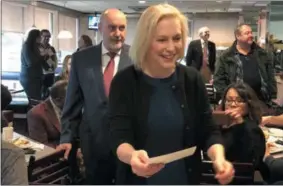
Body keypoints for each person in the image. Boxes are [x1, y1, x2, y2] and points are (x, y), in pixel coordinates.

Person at [108, 3, 234, 185]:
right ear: (145, 41)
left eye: (177, 38)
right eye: (161, 40)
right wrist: (132, 156)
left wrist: (219, 159)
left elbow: (208, 131)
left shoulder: (192, 78)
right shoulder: (124, 81)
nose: (171, 47)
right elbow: (119, 137)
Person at [57, 8, 132, 184]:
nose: (118, 34)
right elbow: (72, 104)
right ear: (100, 28)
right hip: (93, 143)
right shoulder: (81, 59)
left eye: (122, 28)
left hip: (129, 142)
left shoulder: (138, 58)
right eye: (112, 28)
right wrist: (67, 138)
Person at [213, 24, 277, 109]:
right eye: (247, 33)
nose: (251, 35)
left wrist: (273, 96)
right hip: (236, 104)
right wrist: (227, 98)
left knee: (262, 121)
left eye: (251, 33)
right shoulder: (226, 56)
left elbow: (270, 77)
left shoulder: (263, 54)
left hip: (261, 102)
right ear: (238, 36)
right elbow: (218, 80)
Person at [219, 83, 266, 168]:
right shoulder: (218, 126)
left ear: (249, 104)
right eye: (229, 100)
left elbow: (252, 161)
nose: (233, 104)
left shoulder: (252, 129)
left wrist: (240, 124)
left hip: (239, 176)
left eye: (239, 101)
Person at [27, 80, 68, 148]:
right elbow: (40, 146)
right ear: (58, 100)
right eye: (70, 98)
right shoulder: (36, 114)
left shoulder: (73, 107)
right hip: (56, 154)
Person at [20, 29, 43, 100]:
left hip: (36, 78)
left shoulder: (37, 46)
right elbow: (30, 62)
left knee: (37, 99)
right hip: (29, 78)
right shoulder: (26, 46)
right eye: (40, 37)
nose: (41, 39)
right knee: (35, 100)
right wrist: (41, 56)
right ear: (35, 37)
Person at [39, 29, 57, 99]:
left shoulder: (51, 48)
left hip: (50, 74)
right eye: (45, 36)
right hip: (40, 75)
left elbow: (53, 62)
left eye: (49, 36)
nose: (47, 38)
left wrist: (46, 57)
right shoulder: (36, 48)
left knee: (48, 96)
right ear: (40, 36)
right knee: (39, 95)